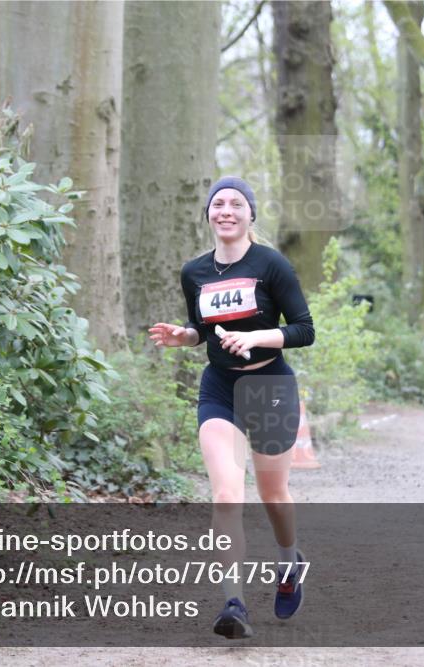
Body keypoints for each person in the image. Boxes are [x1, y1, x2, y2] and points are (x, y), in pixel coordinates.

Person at [148, 176, 315, 639]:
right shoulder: (194, 272)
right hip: (219, 388)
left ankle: (289, 562)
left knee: (273, 496)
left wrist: (256, 336)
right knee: (225, 496)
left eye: (236, 204)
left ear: (250, 215)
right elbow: (201, 324)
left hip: (270, 387)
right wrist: (186, 336)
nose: (225, 210)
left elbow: (304, 328)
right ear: (208, 214)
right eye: (217, 203)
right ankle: (234, 602)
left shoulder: (271, 264)